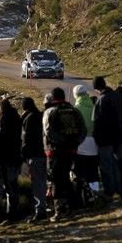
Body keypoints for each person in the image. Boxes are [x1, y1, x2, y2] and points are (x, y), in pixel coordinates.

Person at [42, 87, 86, 221]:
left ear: (53, 98)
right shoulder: (74, 110)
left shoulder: (50, 112)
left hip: (55, 151)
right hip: (71, 150)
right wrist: (74, 143)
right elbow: (83, 130)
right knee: (67, 178)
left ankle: (59, 210)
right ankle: (72, 207)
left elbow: (48, 132)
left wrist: (60, 143)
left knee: (56, 180)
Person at [92, 76, 122, 199]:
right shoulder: (118, 96)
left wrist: (98, 139)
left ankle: (110, 192)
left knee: (107, 167)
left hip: (107, 139)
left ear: (96, 88)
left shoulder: (102, 100)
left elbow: (98, 122)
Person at [72, 84, 100, 205]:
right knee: (93, 172)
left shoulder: (77, 108)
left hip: (82, 144)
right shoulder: (93, 105)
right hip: (94, 143)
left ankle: (80, 198)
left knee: (80, 172)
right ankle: (95, 194)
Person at [20, 97, 47, 222]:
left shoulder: (29, 119)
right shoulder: (41, 115)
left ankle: (39, 210)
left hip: (34, 154)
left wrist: (23, 154)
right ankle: (42, 206)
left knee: (37, 184)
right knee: (42, 182)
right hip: (44, 152)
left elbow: (26, 139)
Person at [0, 98, 23, 220]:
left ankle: (12, 211)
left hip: (8, 156)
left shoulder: (5, 119)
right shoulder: (16, 117)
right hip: (17, 154)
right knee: (14, 183)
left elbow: (2, 138)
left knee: (10, 184)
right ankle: (15, 208)